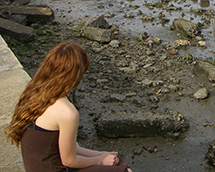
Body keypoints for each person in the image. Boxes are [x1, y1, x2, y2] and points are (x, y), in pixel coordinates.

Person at [5, 41, 132, 172]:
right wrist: (100, 161)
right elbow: (69, 160)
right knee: (123, 170)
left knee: (115, 161)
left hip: (38, 165)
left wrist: (101, 155)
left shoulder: (35, 93)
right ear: (75, 76)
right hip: (54, 168)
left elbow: (68, 147)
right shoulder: (67, 112)